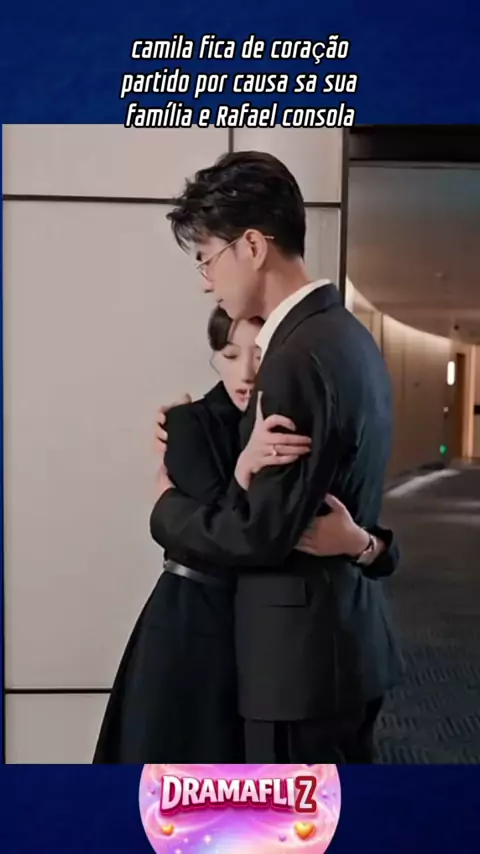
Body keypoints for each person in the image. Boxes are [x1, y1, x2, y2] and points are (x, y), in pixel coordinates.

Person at [150, 150, 405, 763]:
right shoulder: (349, 337)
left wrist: (164, 507)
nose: (206, 280)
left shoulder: (294, 357)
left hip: (297, 666)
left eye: (207, 257)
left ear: (252, 247)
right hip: (343, 647)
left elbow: (261, 535)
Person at [93, 307, 399, 763]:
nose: (247, 372)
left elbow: (360, 521)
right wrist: (240, 470)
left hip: (289, 637)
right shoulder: (189, 424)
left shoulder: (297, 421)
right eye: (230, 354)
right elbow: (226, 537)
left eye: (259, 354)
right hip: (193, 624)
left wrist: (362, 544)